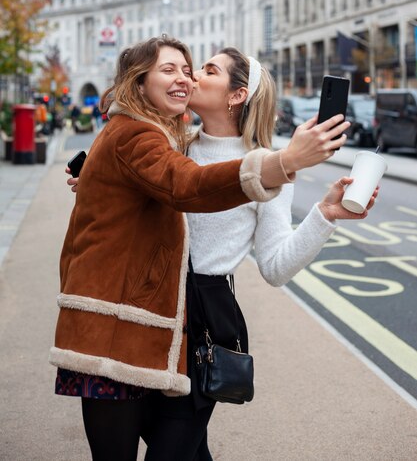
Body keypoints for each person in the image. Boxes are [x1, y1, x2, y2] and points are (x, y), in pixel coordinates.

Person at [56, 36, 352, 461]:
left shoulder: (263, 165)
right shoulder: (175, 144)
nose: (192, 75)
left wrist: (324, 215)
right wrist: (100, 181)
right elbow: (159, 188)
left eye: (207, 70)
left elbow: (274, 267)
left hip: (206, 317)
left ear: (237, 96)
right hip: (150, 305)